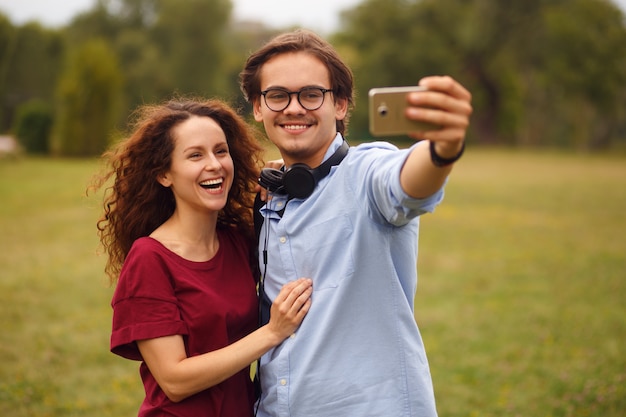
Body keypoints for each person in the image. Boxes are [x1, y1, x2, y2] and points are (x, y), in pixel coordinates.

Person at [239, 29, 472, 416]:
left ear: (342, 105)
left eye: (311, 94)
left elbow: (405, 183)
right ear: (258, 108)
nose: (293, 108)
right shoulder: (269, 193)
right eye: (277, 95)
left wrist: (443, 149)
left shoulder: (366, 172)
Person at [91, 98, 313, 417]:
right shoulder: (150, 258)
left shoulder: (238, 243)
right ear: (164, 174)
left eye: (220, 151)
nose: (214, 164)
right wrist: (272, 333)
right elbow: (174, 380)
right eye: (195, 155)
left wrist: (283, 180)